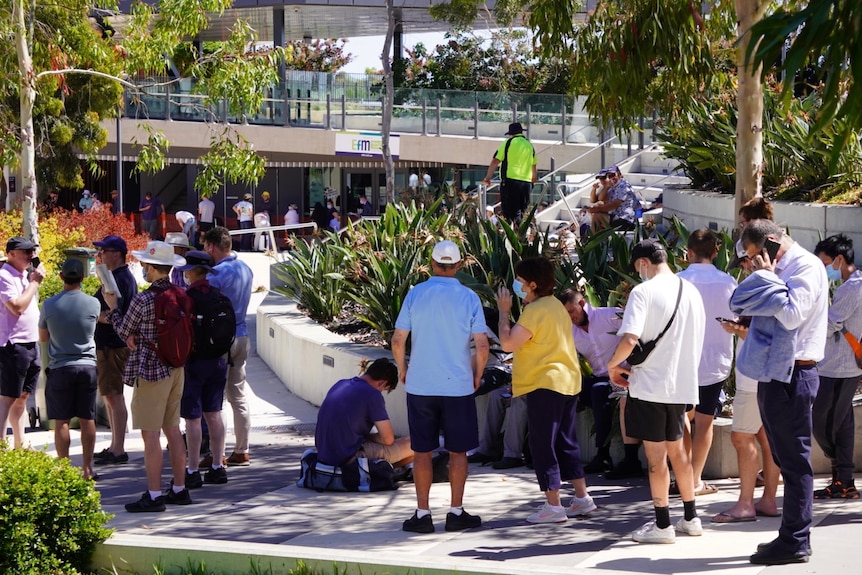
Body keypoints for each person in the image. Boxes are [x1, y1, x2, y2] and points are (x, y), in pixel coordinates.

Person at [731, 219, 828, 564]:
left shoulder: (804, 267)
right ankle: (790, 536)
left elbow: (791, 315)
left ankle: (796, 541)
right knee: (786, 459)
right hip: (774, 374)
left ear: (772, 243)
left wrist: (768, 279)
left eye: (756, 256)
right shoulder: (778, 268)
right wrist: (766, 280)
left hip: (794, 374)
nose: (754, 264)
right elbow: (738, 302)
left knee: (794, 462)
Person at [607, 239, 706, 543]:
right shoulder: (690, 290)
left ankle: (662, 525)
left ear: (642, 263)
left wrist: (612, 366)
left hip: (650, 387)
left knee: (656, 459)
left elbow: (630, 338)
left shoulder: (643, 291)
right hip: (681, 386)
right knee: (679, 453)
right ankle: (690, 518)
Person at [392, 240, 490, 533]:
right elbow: (482, 345)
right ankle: (456, 512)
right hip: (457, 386)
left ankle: (422, 514)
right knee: (458, 452)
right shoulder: (469, 297)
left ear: (432, 264)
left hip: (421, 385)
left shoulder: (415, 294)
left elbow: (398, 340)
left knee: (422, 452)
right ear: (459, 266)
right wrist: (476, 375)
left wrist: (403, 369)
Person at [495, 258, 596, 524]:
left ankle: (553, 506)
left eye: (520, 279)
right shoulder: (554, 306)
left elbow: (507, 343)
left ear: (532, 284)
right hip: (567, 382)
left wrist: (504, 312)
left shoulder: (536, 310)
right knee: (566, 441)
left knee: (543, 444)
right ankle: (582, 498)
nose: (516, 284)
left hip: (545, 383)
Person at [103, 241, 190, 513]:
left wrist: (113, 307)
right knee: (173, 430)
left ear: (152, 269)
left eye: (144, 266)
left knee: (150, 435)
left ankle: (153, 495)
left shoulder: (144, 298)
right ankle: (179, 487)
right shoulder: (180, 293)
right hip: (176, 368)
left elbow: (123, 328)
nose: (142, 269)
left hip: (151, 371)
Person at [676, 229, 738, 497]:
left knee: (681, 420)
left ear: (688, 253)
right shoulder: (728, 282)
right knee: (705, 421)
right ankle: (696, 479)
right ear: (715, 252)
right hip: (716, 360)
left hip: (682, 361)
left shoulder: (678, 281)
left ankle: (683, 475)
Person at [711, 322, 781, 522]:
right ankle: (768, 500)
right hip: (766, 379)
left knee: (742, 438)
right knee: (767, 439)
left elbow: (761, 341)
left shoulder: (760, 297)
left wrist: (737, 331)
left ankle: (745, 504)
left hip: (752, 381)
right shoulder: (776, 295)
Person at [38, 259, 101, 480]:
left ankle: (65, 470)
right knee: (87, 418)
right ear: (83, 278)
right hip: (87, 366)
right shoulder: (93, 303)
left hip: (60, 367)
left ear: (61, 276)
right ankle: (87, 468)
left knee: (62, 420)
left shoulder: (48, 305)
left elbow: (43, 338)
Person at [812, 234, 861, 499]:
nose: (823, 270)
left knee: (821, 421)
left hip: (840, 367)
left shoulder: (852, 288)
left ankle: (841, 475)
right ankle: (843, 481)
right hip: (839, 365)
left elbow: (830, 323)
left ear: (839, 260)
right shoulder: (850, 286)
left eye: (825, 263)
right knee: (841, 424)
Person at [177, 250, 229, 487]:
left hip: (195, 362)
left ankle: (193, 470)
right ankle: (218, 466)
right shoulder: (218, 295)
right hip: (218, 360)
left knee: (193, 418)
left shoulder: (188, 297)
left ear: (190, 272)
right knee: (214, 413)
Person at [202, 226, 254, 467]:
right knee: (238, 395)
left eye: (205, 246)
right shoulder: (246, 269)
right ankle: (242, 449)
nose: (205, 251)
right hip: (242, 334)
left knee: (216, 399)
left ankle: (217, 454)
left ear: (212, 246)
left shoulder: (215, 274)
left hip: (220, 339)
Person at [558, 288, 624, 475]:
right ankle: (558, 452)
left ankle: (602, 454)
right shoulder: (570, 331)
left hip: (624, 375)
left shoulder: (610, 316)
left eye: (571, 311)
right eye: (565, 314)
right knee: (561, 392)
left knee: (598, 391)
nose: (570, 317)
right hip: (598, 378)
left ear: (581, 304)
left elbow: (639, 334)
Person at [316, 358, 413, 468]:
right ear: (383, 383)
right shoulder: (372, 394)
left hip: (324, 454)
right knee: (419, 443)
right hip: (348, 457)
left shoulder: (340, 384)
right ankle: (386, 473)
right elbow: (388, 439)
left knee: (403, 441)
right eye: (384, 389)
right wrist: (371, 438)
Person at [93, 235, 138, 466]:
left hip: (113, 345)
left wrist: (94, 316)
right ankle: (114, 446)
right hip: (111, 345)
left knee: (113, 396)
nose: (101, 255)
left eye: (105, 251)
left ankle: (118, 449)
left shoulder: (118, 279)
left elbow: (114, 315)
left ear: (117, 254)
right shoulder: (117, 276)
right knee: (111, 396)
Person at [0, 237, 45, 448]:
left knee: (23, 396)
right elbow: (16, 307)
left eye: (31, 252)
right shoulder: (4, 276)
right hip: (13, 345)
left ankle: (20, 444)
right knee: (7, 397)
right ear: (11, 254)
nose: (30, 256)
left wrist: (31, 281)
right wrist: (34, 283)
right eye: (25, 252)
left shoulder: (24, 275)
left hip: (30, 343)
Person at [482, 122, 536, 223]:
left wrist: (487, 178)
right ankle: (521, 236)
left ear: (511, 134)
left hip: (511, 182)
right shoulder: (529, 145)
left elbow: (495, 161)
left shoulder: (508, 142)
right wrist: (533, 180)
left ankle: (514, 236)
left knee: (511, 213)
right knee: (522, 212)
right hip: (526, 184)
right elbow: (534, 165)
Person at [585, 166, 639, 231]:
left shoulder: (623, 186)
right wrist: (605, 187)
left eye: (613, 175)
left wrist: (598, 209)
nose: (612, 178)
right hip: (617, 217)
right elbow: (601, 199)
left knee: (597, 216)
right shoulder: (614, 186)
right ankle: (598, 239)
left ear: (619, 174)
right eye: (609, 176)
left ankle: (593, 239)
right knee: (596, 215)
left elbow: (614, 204)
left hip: (626, 220)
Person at [586, 168, 612, 233]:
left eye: (604, 178)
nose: (602, 180)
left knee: (596, 216)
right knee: (594, 214)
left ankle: (593, 239)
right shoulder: (602, 188)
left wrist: (606, 187)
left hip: (614, 216)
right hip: (606, 215)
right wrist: (594, 189)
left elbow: (601, 199)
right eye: (600, 179)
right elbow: (593, 200)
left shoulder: (612, 188)